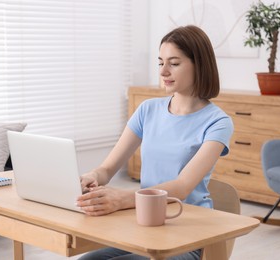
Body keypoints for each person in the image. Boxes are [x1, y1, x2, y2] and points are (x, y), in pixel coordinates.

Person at [76, 25, 234, 260]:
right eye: (161, 63)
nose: (163, 71)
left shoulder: (218, 122)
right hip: (145, 226)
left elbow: (182, 186)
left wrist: (121, 199)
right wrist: (92, 177)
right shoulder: (147, 110)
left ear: (199, 65)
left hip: (189, 235)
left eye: (174, 63)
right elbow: (108, 169)